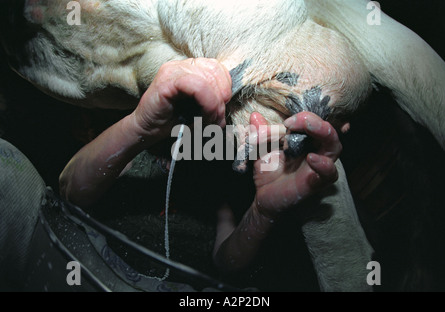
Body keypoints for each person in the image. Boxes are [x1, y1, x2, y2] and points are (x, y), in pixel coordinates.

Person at [58, 58, 342, 274]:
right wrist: (140, 126)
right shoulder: (133, 150)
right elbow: (72, 191)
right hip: (94, 269)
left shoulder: (215, 176)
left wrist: (263, 212)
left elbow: (227, 262)